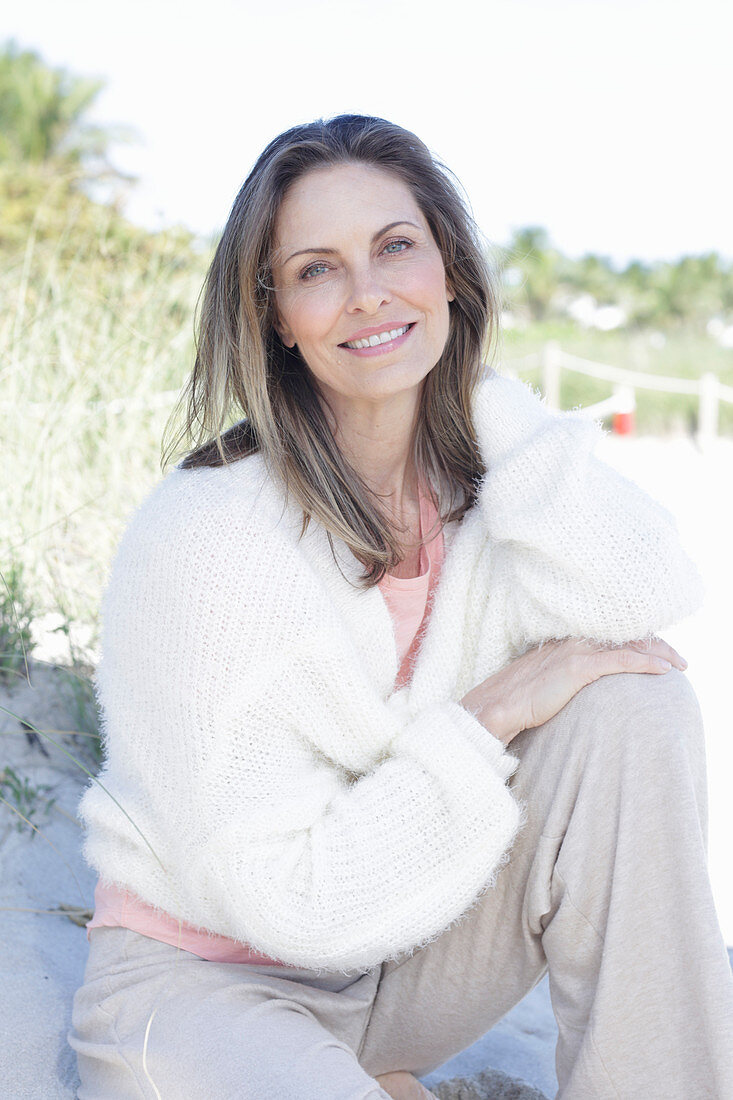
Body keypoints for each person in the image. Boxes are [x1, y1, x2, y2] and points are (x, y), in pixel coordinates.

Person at [68, 114, 733, 1100]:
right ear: (275, 313)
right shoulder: (204, 537)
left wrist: (478, 391)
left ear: (452, 269)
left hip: (403, 953)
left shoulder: (485, 474)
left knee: (633, 707)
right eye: (317, 269)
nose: (369, 291)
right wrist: (492, 712)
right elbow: (288, 904)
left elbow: (647, 593)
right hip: (210, 980)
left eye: (395, 248)